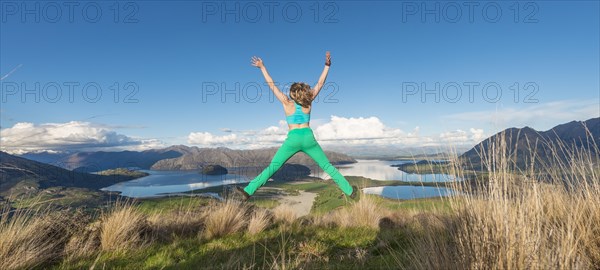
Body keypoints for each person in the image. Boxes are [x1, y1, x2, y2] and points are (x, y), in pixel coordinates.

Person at [233, 51, 358, 201]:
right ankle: (350, 191)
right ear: (304, 92)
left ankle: (248, 191)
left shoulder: (286, 102)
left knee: (273, 167)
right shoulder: (308, 101)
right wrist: (327, 65)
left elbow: (271, 85)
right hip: (307, 137)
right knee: (327, 167)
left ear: (292, 94)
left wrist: (262, 67)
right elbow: (321, 83)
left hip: (293, 138)